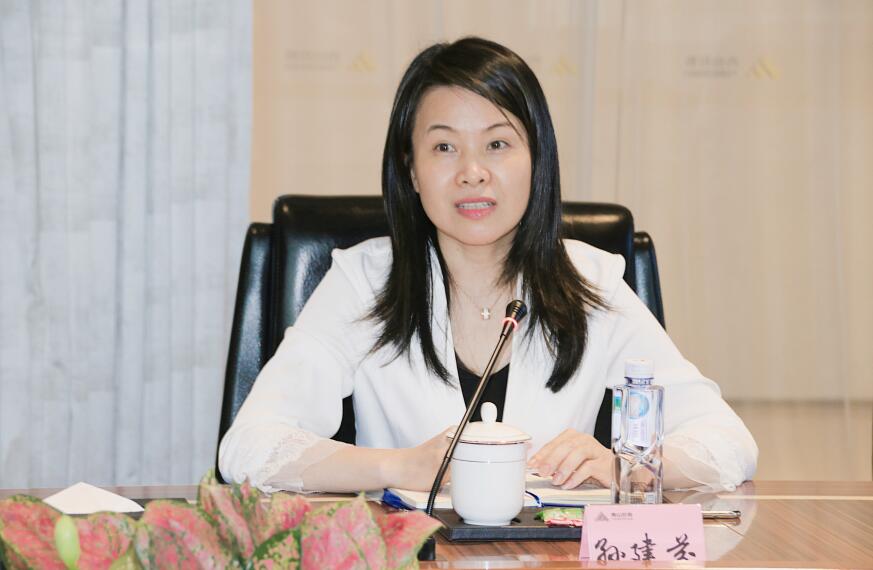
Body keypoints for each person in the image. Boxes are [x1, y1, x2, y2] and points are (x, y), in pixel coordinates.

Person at [219, 37, 757, 494]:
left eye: (497, 144)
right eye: (444, 147)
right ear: (411, 170)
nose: (472, 172)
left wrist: (626, 468)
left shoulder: (592, 282)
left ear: (536, 159)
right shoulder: (364, 282)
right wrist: (400, 467)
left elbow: (729, 444)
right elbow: (248, 448)